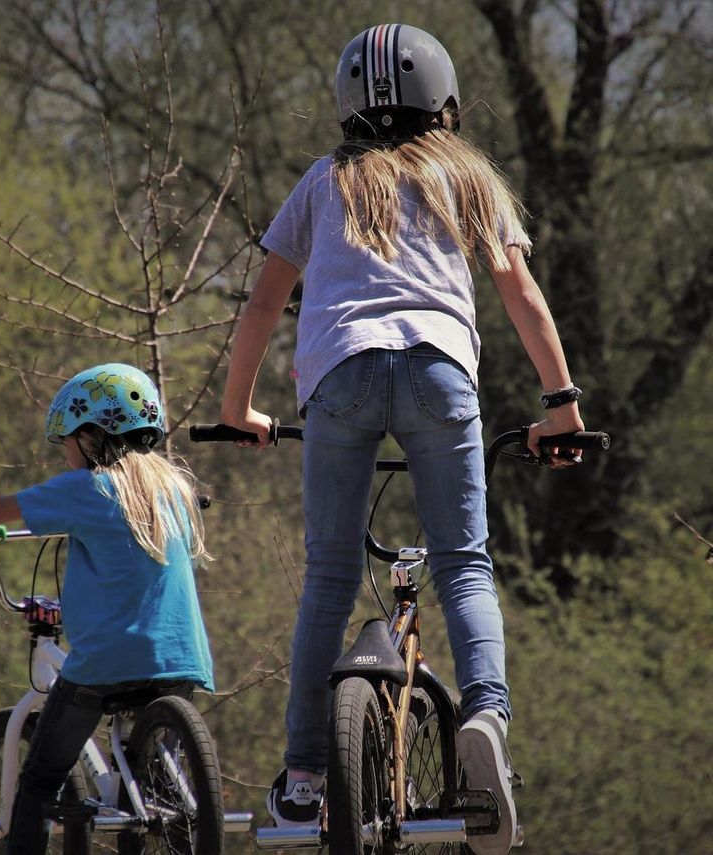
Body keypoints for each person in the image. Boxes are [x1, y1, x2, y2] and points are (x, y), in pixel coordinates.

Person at [219, 23, 584, 855]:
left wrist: (240, 407)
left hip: (340, 380)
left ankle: (306, 774)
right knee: (463, 562)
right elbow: (521, 292)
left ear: (349, 105)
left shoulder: (324, 181)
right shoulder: (467, 176)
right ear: (444, 102)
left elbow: (264, 304)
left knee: (330, 575)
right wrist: (561, 405)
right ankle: (486, 716)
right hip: (439, 375)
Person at [0, 363, 214, 855]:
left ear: (91, 436)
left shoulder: (88, 488)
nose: (67, 453)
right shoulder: (173, 489)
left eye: (67, 440)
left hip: (106, 666)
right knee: (158, 787)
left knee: (42, 778)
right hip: (181, 662)